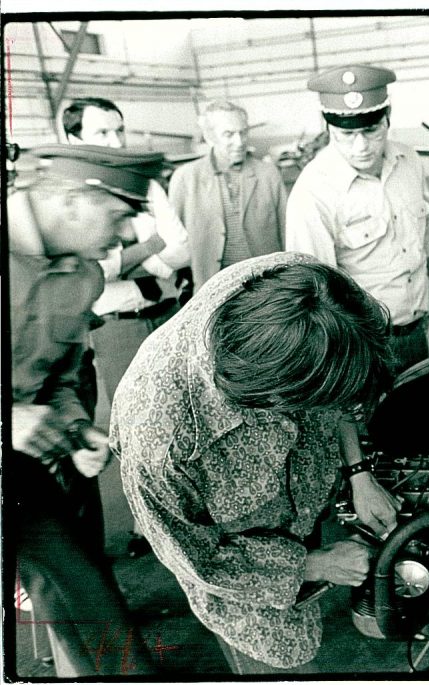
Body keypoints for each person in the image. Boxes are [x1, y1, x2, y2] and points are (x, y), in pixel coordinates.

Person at [110, 251, 401, 674]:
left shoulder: (307, 285)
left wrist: (359, 474)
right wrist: (316, 564)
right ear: (273, 402)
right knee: (283, 661)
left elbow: (342, 400)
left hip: (303, 496)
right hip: (243, 572)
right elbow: (198, 560)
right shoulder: (161, 441)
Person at [8, 144, 161, 676]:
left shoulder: (83, 277)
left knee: (98, 619)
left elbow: (59, 375)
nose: (125, 237)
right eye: (120, 216)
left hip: (20, 472)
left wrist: (75, 426)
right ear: (74, 201)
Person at [63, 96, 191, 557]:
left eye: (118, 130)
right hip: (117, 325)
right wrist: (150, 247)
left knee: (180, 418)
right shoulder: (73, 193)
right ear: (72, 138)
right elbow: (97, 267)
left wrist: (129, 257)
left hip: (167, 313)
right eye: (101, 133)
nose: (115, 141)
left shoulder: (146, 183)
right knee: (135, 429)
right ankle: (145, 524)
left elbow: (182, 248)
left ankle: (186, 515)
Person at [286, 65, 429, 374]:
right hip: (361, 345)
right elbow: (313, 289)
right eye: (346, 134)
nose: (361, 146)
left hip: (417, 331)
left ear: (388, 117)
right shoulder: (313, 191)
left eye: (371, 130)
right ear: (328, 127)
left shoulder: (408, 160)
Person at [169, 101, 288, 291]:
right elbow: (174, 240)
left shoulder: (268, 173)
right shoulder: (186, 177)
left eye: (243, 132)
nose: (239, 142)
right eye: (229, 134)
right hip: (211, 286)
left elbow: (286, 229)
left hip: (265, 285)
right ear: (209, 137)